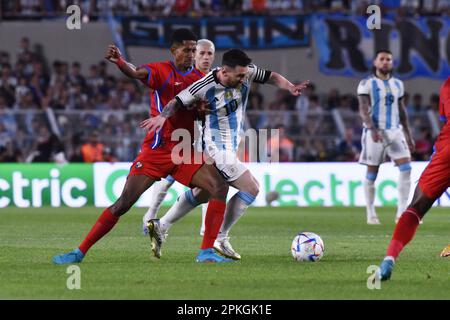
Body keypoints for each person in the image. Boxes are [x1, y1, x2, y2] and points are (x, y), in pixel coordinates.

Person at [52, 29, 232, 265]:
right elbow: (136, 72)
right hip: (156, 150)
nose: (191, 54)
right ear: (174, 50)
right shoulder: (161, 70)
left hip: (183, 150)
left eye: (193, 50)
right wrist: (120, 62)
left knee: (218, 185)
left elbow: (198, 110)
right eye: (186, 49)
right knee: (123, 204)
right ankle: (79, 252)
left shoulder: (200, 80)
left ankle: (206, 252)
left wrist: (204, 110)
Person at [141, 49, 309, 260]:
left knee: (203, 193)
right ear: (225, 72)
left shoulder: (246, 72)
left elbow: (271, 76)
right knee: (251, 187)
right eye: (238, 76)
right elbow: (177, 101)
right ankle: (220, 236)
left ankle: (161, 225)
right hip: (214, 147)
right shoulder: (204, 85)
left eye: (244, 75)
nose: (243, 79)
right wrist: (162, 117)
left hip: (230, 146)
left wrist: (290, 87)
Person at [378, 77, 450, 280]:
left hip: (446, 152)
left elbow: (445, 121)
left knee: (416, 208)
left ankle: (389, 259)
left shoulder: (447, 85)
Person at [142, 39, 216, 235]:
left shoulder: (217, 79)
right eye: (201, 54)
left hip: (208, 138)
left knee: (213, 179)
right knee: (167, 179)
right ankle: (151, 215)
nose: (205, 58)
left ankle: (205, 229)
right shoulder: (190, 78)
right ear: (194, 55)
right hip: (185, 136)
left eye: (210, 54)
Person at [357, 49, 415, 225]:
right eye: (382, 59)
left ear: (392, 63)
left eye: (388, 59)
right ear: (375, 62)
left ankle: (401, 213)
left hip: (395, 131)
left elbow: (402, 110)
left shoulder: (398, 84)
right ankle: (371, 213)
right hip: (375, 132)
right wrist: (372, 129)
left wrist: (408, 134)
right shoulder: (366, 83)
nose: (385, 62)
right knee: (372, 172)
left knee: (406, 168)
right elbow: (363, 108)